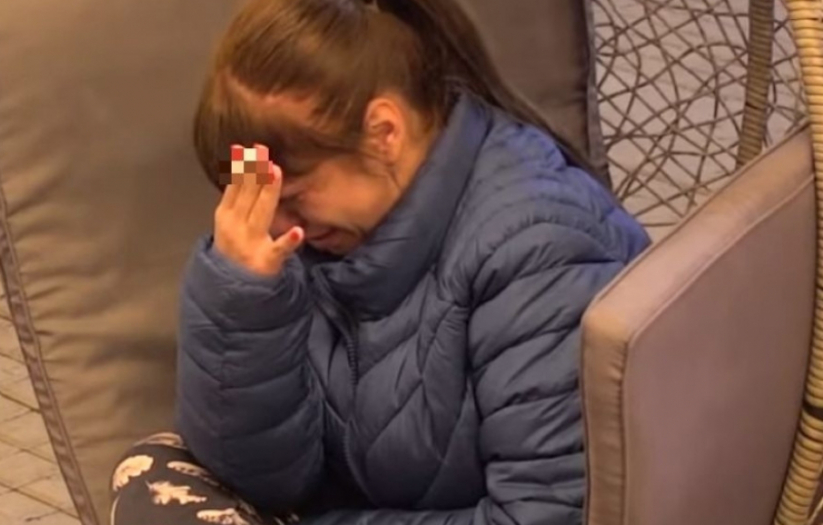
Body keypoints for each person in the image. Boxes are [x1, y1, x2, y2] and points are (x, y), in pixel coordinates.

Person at [110, 0, 650, 523]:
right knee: (151, 474)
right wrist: (244, 299)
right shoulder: (320, 235)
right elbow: (264, 478)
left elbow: (550, 513)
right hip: (383, 497)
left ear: (384, 132)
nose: (275, 225)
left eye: (292, 196)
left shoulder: (538, 250)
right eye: (260, 200)